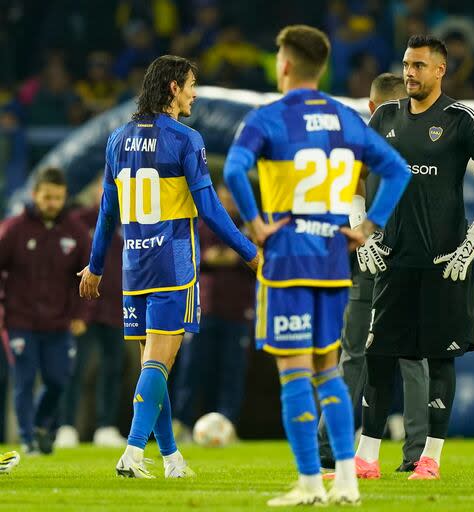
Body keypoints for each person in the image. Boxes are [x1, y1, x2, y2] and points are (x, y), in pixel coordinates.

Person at [223, 25, 411, 507]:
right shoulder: (346, 118)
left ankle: (309, 483)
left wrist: (257, 222)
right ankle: (345, 481)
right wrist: (369, 225)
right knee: (329, 370)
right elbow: (397, 170)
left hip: (287, 261)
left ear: (284, 64)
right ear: (322, 68)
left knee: (294, 374)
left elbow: (231, 170)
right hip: (331, 261)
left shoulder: (266, 118)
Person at [78, 55, 259, 479]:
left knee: (152, 366)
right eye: (193, 85)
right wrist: (250, 251)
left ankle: (173, 459)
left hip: (133, 264)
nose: (196, 93)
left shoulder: (117, 139)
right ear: (174, 88)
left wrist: (95, 267)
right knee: (160, 363)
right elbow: (211, 210)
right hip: (173, 262)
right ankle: (133, 453)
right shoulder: (185, 138)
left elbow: (108, 211)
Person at [354, 34, 474, 481]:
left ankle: (430, 460)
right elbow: (354, 174)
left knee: (441, 359)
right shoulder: (385, 116)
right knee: (378, 355)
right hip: (393, 261)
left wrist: (473, 242)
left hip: (446, 263)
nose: (409, 73)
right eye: (406, 64)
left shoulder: (461, 118)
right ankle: (366, 459)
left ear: (440, 70)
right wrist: (363, 232)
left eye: (419, 66)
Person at [317, 72, 429, 474]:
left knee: (353, 356)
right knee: (414, 358)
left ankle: (330, 448)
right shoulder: (425, 141)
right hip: (414, 263)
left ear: (372, 106)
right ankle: (417, 455)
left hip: (369, 262)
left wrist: (362, 236)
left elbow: (347, 188)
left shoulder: (358, 143)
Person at [0, 167, 90, 455]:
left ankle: (40, 424)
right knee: (24, 379)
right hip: (19, 320)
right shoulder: (14, 229)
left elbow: (90, 277)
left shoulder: (75, 232)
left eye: (58, 198)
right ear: (34, 195)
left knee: (58, 380)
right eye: (47, 197)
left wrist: (80, 314)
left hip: (59, 323)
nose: (53, 203)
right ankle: (27, 439)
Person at [173, 182, 255, 434]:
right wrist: (228, 257)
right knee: (192, 367)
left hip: (238, 311)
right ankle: (182, 424)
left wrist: (219, 258)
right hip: (203, 308)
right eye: (225, 195)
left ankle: (227, 426)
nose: (229, 199)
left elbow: (254, 259)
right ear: (217, 197)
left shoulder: (249, 225)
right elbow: (195, 258)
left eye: (233, 195)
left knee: (232, 372)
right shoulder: (202, 222)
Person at [58, 177, 127, 449]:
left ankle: (106, 427)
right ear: (97, 190)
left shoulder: (129, 223)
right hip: (81, 309)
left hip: (116, 308)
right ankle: (66, 426)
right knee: (73, 368)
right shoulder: (78, 221)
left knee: (113, 368)